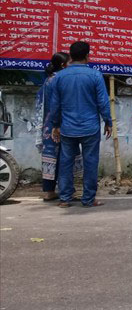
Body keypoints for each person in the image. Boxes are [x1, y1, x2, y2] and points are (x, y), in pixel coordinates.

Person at [50, 41, 112, 208]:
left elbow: (54, 105)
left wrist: (55, 125)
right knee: (90, 163)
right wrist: (108, 121)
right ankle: (88, 199)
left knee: (65, 163)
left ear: (70, 56)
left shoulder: (60, 77)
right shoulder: (95, 76)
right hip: (90, 128)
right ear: (87, 56)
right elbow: (103, 102)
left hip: (68, 128)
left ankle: (65, 199)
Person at [35, 52, 83, 201]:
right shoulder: (61, 80)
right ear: (63, 65)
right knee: (66, 158)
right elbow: (62, 104)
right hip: (62, 124)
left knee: (51, 157)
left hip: (48, 126)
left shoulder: (48, 80)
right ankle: (67, 191)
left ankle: (49, 191)